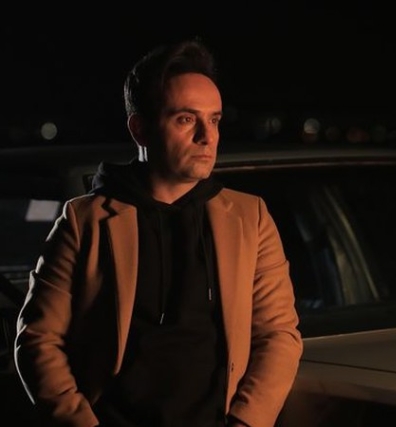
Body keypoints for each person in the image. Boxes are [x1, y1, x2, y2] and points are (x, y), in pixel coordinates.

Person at [14, 38, 303, 427]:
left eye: (214, 120)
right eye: (186, 119)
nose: (207, 137)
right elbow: (38, 338)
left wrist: (246, 422)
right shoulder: (86, 221)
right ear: (140, 129)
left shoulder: (249, 217)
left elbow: (279, 334)